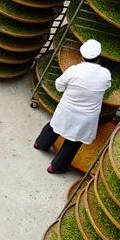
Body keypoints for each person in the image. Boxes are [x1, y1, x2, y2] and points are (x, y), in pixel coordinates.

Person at [34, 39, 111, 174]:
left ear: (82, 56)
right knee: (74, 142)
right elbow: (106, 87)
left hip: (67, 109)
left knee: (55, 125)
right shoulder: (105, 74)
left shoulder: (74, 70)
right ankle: (56, 167)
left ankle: (40, 144)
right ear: (99, 58)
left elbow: (59, 86)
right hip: (87, 117)